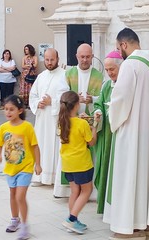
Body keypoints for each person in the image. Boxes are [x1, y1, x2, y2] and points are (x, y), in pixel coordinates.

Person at [103, 28, 149, 240]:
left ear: (124, 45)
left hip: (132, 133)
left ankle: (130, 227)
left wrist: (110, 112)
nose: (118, 52)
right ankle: (147, 223)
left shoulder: (130, 65)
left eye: (117, 47)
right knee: (147, 178)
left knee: (130, 176)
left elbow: (121, 100)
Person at [53, 43, 104, 197]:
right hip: (71, 121)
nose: (85, 60)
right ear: (77, 56)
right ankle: (67, 191)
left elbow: (102, 97)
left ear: (92, 57)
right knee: (71, 154)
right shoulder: (69, 73)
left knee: (88, 155)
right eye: (82, 57)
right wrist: (76, 98)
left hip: (87, 121)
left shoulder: (98, 75)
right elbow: (61, 95)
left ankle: (90, 192)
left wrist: (91, 99)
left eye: (88, 57)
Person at [0, 95, 42, 239]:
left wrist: (38, 164)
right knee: (13, 195)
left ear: (20, 110)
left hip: (25, 167)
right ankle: (15, 219)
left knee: (20, 196)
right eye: (6, 109)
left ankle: (25, 226)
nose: (8, 112)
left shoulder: (27, 127)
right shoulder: (3, 128)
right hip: (10, 169)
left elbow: (35, 147)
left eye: (11, 109)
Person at [59, 91, 101, 234]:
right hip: (82, 163)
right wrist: (94, 127)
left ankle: (73, 220)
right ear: (77, 105)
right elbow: (92, 142)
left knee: (74, 192)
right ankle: (71, 219)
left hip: (68, 164)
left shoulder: (61, 123)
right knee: (86, 191)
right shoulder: (82, 123)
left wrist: (81, 120)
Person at [29, 48, 69, 186]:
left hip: (56, 118)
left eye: (52, 59)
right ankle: (39, 176)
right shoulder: (41, 76)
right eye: (47, 60)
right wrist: (37, 103)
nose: (50, 62)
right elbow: (33, 95)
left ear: (57, 59)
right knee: (40, 144)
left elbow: (67, 96)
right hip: (42, 119)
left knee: (54, 146)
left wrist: (52, 102)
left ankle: (53, 178)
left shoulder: (64, 75)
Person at [93, 50, 123, 214]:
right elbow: (99, 104)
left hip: (120, 134)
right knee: (106, 167)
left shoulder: (126, 83)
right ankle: (105, 205)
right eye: (107, 70)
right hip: (108, 136)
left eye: (112, 69)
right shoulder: (106, 85)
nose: (110, 73)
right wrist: (98, 113)